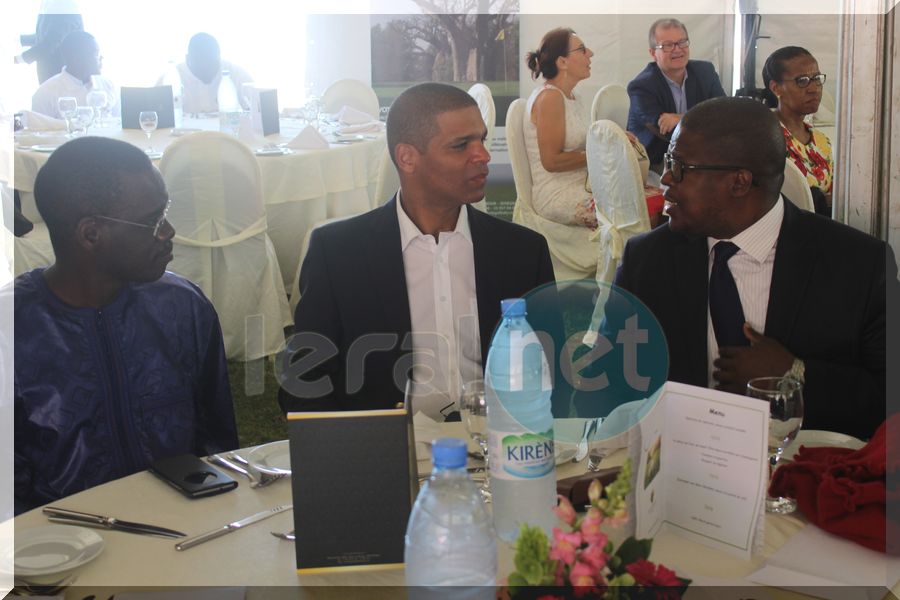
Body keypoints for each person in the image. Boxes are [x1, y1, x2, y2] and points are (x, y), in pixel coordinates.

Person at [610, 96, 895, 441]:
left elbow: (887, 399)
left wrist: (794, 373)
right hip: (681, 473)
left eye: (680, 166)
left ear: (739, 182)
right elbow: (615, 381)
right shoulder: (647, 261)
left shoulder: (857, 265)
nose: (666, 178)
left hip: (803, 474)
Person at [278, 83, 558, 420]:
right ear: (407, 158)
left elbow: (553, 369)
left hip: (501, 446)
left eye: (481, 140)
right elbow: (304, 382)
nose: (483, 155)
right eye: (460, 146)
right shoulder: (339, 254)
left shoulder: (523, 252)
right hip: (387, 453)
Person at [13, 136, 238, 514]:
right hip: (56, 551)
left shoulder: (182, 307)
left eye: (165, 213)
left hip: (185, 532)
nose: (168, 232)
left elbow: (218, 444)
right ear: (90, 234)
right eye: (152, 221)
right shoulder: (13, 331)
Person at [521, 27, 597, 281]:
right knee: (625, 212)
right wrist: (599, 153)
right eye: (582, 49)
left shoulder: (572, 96)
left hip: (579, 184)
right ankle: (615, 286)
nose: (591, 54)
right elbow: (551, 161)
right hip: (555, 193)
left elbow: (583, 145)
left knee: (642, 199)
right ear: (562, 61)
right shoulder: (550, 98)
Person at [626, 18, 726, 168]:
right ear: (653, 53)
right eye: (668, 45)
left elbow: (724, 113)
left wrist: (681, 118)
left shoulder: (705, 72)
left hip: (701, 156)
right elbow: (668, 131)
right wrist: (707, 119)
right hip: (657, 162)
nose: (677, 49)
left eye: (682, 42)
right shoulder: (641, 87)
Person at [763, 46, 833, 215]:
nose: (813, 88)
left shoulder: (822, 141)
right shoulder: (765, 138)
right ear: (776, 88)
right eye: (802, 81)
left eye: (816, 78)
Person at [30, 30, 119, 118]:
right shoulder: (45, 94)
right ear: (76, 59)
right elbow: (38, 130)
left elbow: (120, 124)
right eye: (96, 53)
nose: (101, 57)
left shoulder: (107, 84)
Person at [164, 33, 253, 115]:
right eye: (200, 66)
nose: (207, 71)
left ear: (219, 58)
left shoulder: (234, 73)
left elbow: (256, 106)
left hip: (226, 131)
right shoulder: (172, 77)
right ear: (188, 59)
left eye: (211, 65)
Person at [14, 0, 84, 84]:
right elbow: (44, 35)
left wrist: (17, 59)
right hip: (49, 76)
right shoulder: (47, 3)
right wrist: (16, 40)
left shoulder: (65, 4)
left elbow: (50, 42)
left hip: (62, 77)